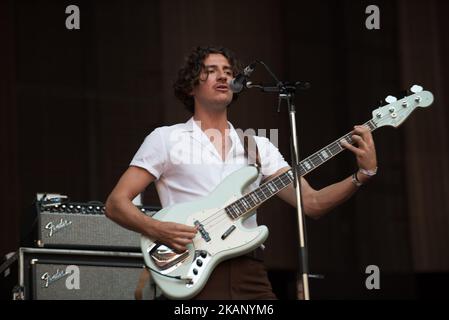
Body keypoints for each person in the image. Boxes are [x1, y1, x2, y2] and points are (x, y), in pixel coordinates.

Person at [105, 45, 378, 300]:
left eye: (228, 72)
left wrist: (363, 174)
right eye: (210, 71)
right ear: (190, 86)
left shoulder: (257, 146)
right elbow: (116, 204)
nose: (223, 77)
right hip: (192, 268)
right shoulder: (166, 138)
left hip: (250, 272)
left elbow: (312, 203)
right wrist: (158, 229)